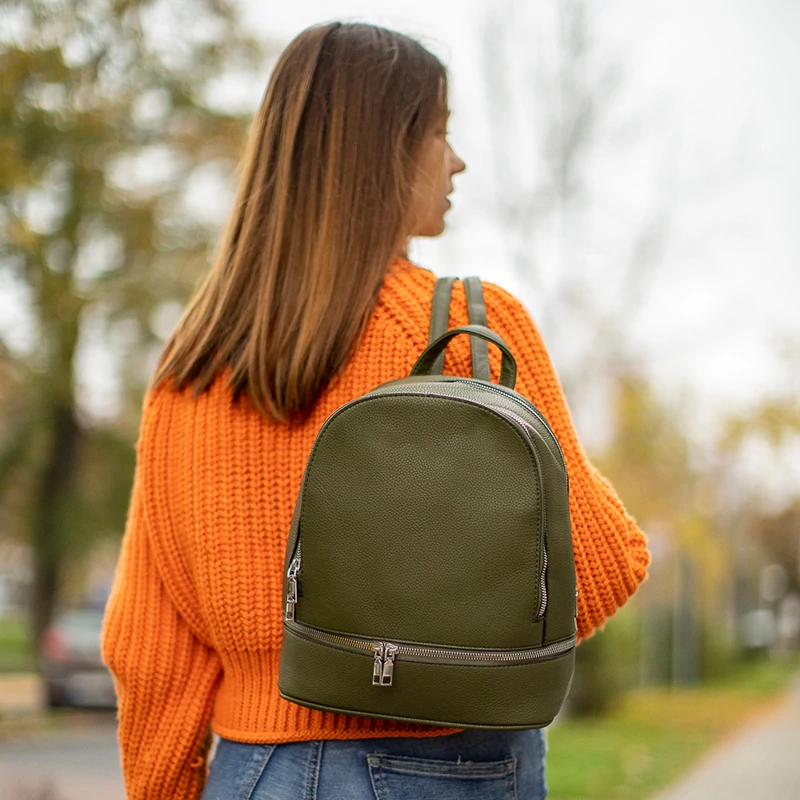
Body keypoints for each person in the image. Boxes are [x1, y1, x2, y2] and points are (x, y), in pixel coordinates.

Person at [101, 21, 650, 800]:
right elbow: (598, 571)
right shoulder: (466, 333)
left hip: (250, 773)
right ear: (385, 150)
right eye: (440, 132)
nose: (456, 161)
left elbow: (152, 650)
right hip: (443, 770)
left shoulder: (191, 366)